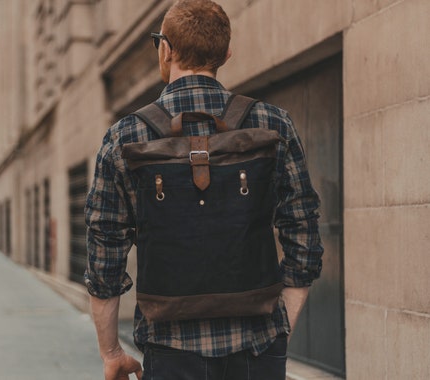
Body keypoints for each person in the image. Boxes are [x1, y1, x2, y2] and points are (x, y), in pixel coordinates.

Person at [84, 1, 323, 379]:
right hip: (258, 346)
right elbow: (304, 234)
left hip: (169, 348)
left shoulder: (125, 136)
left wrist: (112, 352)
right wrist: (282, 328)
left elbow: (104, 257)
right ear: (226, 54)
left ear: (166, 49)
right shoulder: (272, 123)